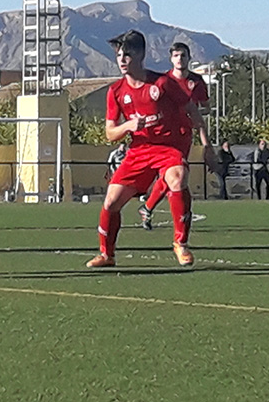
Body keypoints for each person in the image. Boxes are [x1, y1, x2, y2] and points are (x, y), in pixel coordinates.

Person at [86, 30, 216, 269]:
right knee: (111, 202)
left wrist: (205, 144)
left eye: (128, 54)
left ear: (141, 54)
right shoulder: (115, 91)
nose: (122, 59)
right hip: (138, 151)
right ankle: (107, 254)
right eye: (119, 55)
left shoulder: (162, 83)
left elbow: (192, 110)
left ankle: (180, 243)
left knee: (177, 179)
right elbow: (109, 133)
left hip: (168, 147)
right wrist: (128, 126)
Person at [138, 42, 209, 230]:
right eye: (176, 55)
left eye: (183, 55)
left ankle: (148, 207)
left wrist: (195, 111)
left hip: (185, 135)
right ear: (171, 59)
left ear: (189, 58)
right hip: (166, 134)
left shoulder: (197, 82)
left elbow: (205, 109)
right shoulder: (164, 81)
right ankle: (164, 212)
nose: (180, 59)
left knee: (174, 176)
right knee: (173, 174)